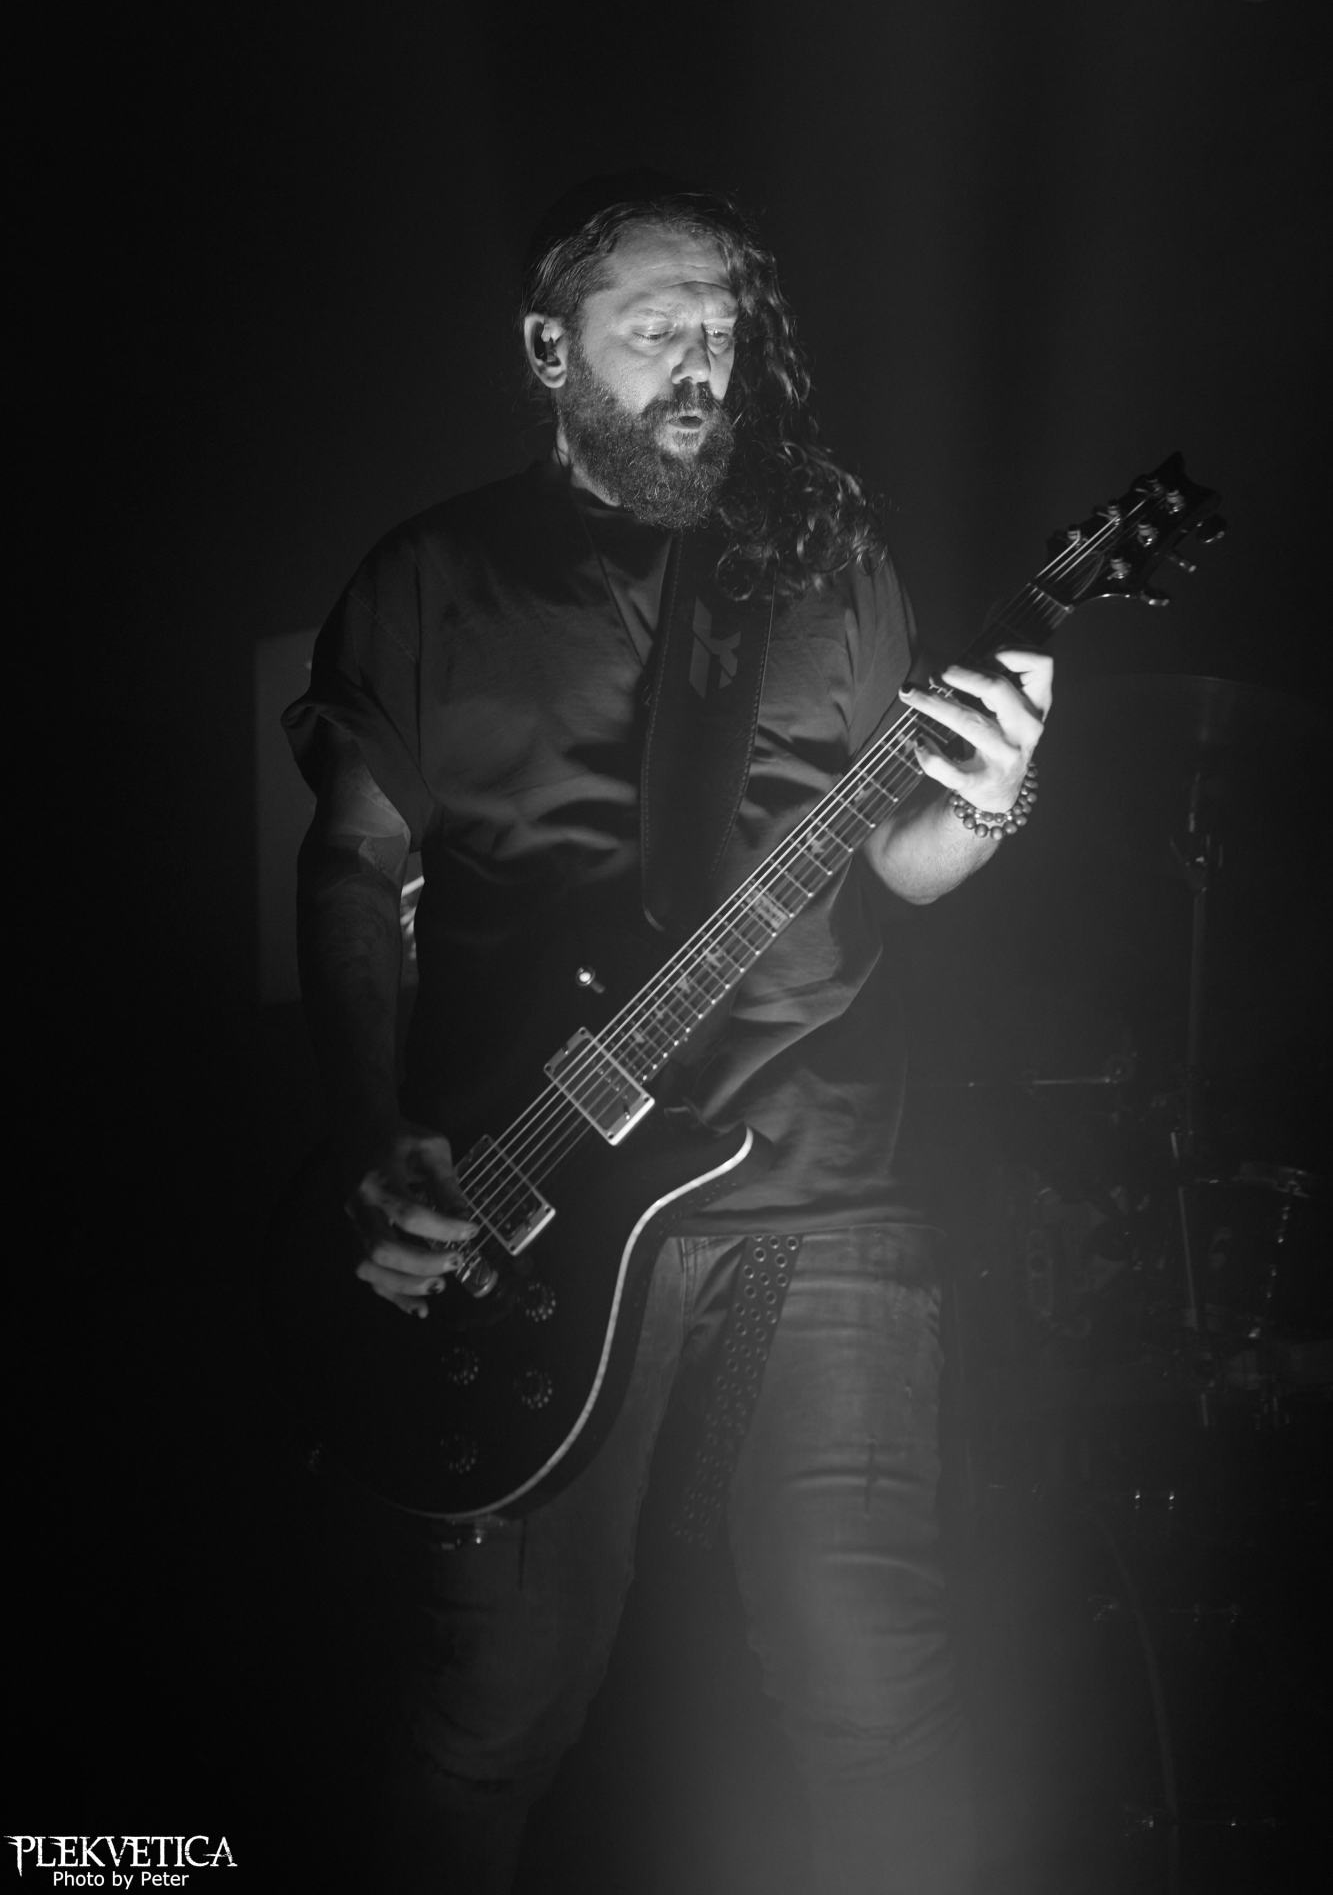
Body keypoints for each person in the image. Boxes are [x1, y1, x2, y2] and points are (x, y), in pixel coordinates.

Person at [283, 173, 1051, 1894]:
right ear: (549, 350)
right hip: (526, 1200)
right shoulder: (432, 579)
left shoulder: (828, 563)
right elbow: (351, 860)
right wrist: (368, 1132)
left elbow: (899, 863)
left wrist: (992, 801)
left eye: (721, 329)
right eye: (653, 329)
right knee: (491, 1707)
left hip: (815, 1188)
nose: (700, 364)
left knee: (872, 1689)